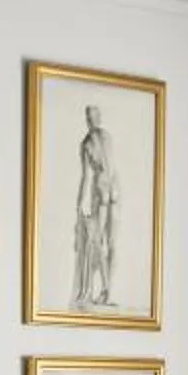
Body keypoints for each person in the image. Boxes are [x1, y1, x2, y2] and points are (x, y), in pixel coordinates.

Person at [71, 103, 117, 310]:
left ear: (99, 117)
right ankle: (103, 288)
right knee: (97, 241)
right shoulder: (85, 144)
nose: (91, 120)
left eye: (94, 116)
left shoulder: (107, 137)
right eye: (88, 117)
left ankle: (105, 290)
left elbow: (113, 165)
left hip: (112, 191)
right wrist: (80, 201)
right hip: (99, 192)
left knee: (109, 241)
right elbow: (85, 176)